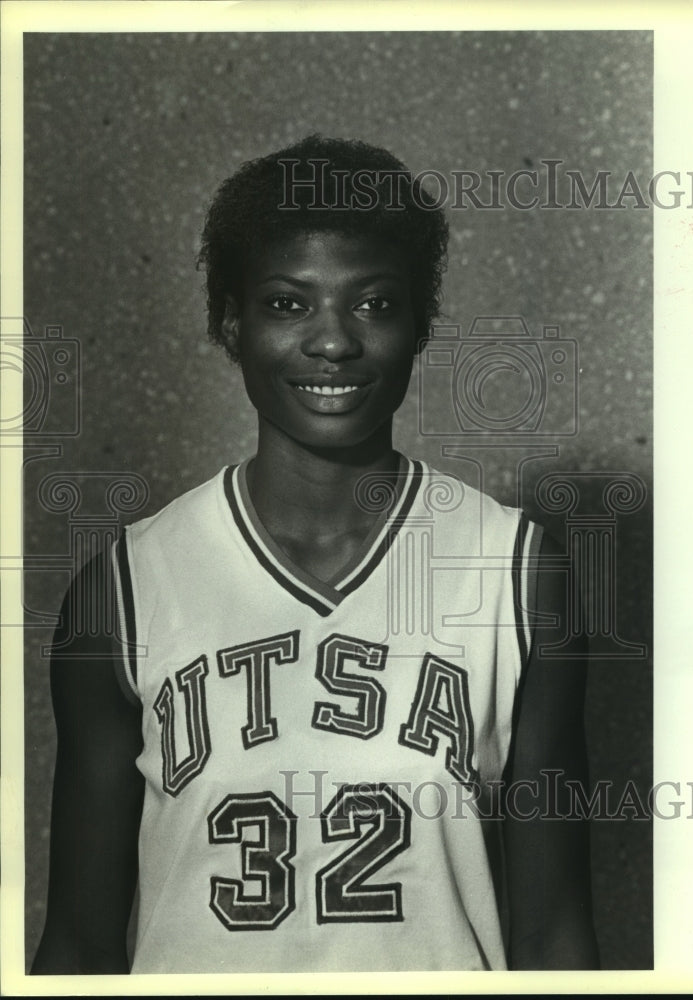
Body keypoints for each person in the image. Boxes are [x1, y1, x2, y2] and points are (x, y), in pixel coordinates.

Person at [31, 135, 599, 974]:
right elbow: (77, 945)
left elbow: (556, 939)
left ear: (421, 326)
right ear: (230, 321)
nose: (332, 342)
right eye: (288, 304)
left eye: (373, 304)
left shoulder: (516, 573)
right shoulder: (121, 590)